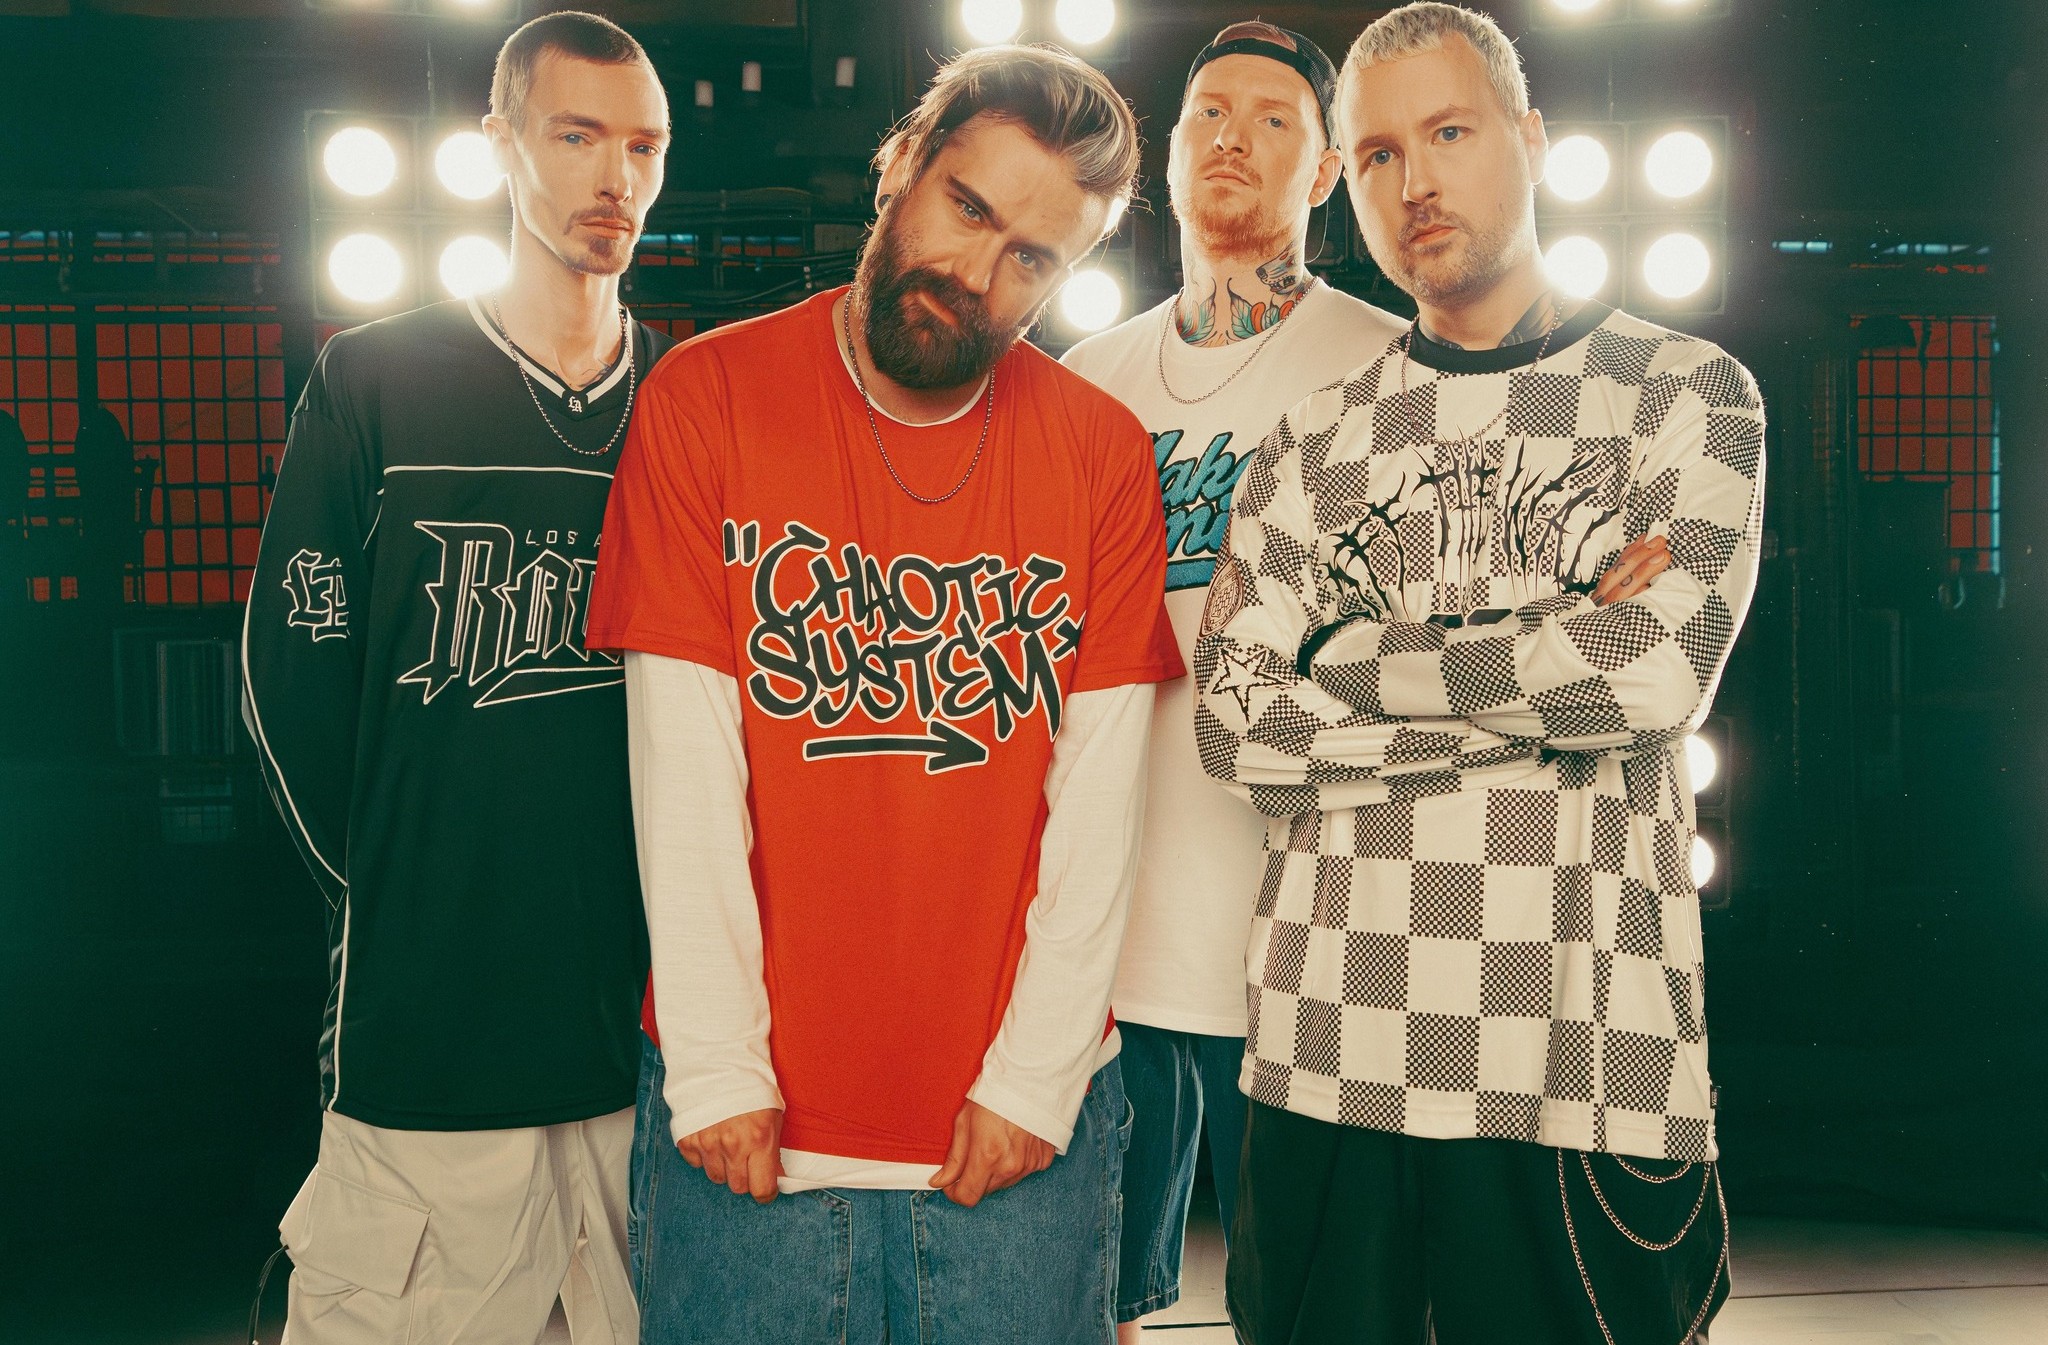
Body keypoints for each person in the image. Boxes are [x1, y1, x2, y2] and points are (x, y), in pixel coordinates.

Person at [587, 43, 1182, 1345]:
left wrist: (1035, 1081)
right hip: (751, 1121)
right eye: (967, 206)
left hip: (1016, 1130)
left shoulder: (1099, 452)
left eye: (1032, 258)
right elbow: (684, 769)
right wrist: (717, 1064)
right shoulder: (708, 399)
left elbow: (1100, 806)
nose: (977, 271)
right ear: (901, 164)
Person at [1196, 5, 1764, 1342]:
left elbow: (1653, 677)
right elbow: (1237, 725)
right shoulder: (1312, 442)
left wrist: (1345, 657)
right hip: (1329, 1050)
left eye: (1449, 133)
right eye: (1378, 154)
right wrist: (1542, 690)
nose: (1415, 182)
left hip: (1582, 1063)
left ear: (1532, 137)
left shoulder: (1683, 393)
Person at [242, 13, 672, 1341]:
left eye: (644, 146)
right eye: (577, 135)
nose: (615, 176)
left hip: (641, 1039)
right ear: (499, 144)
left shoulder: (690, 403)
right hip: (427, 1038)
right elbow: (286, 683)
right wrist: (403, 885)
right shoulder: (377, 377)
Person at [1058, 21, 1402, 1337]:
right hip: (1115, 920)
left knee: (1317, 1305)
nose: (1232, 139)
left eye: (1273, 119)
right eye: (1209, 111)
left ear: (1324, 170)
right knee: (1090, 1296)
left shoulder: (1388, 363)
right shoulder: (1089, 378)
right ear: (1165, 155)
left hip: (1314, 923)